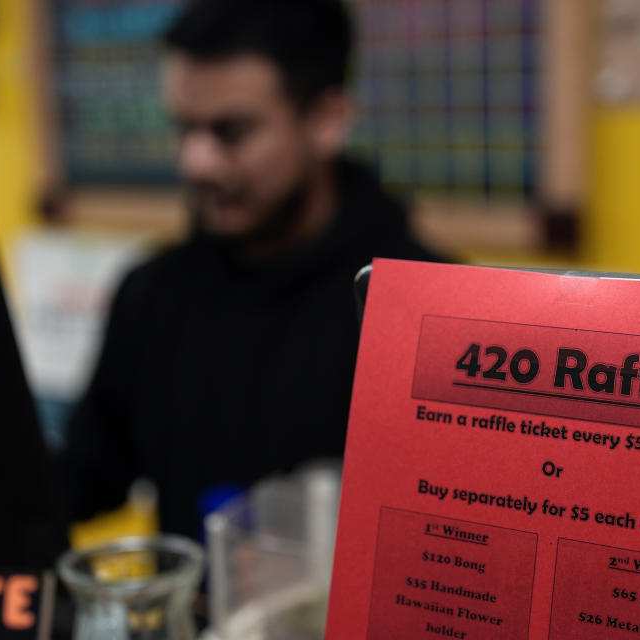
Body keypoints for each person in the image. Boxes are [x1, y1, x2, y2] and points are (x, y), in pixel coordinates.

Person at [61, 0, 440, 538]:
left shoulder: (431, 314)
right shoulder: (151, 293)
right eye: (184, 129)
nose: (196, 162)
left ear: (327, 120)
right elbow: (83, 479)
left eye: (231, 132)